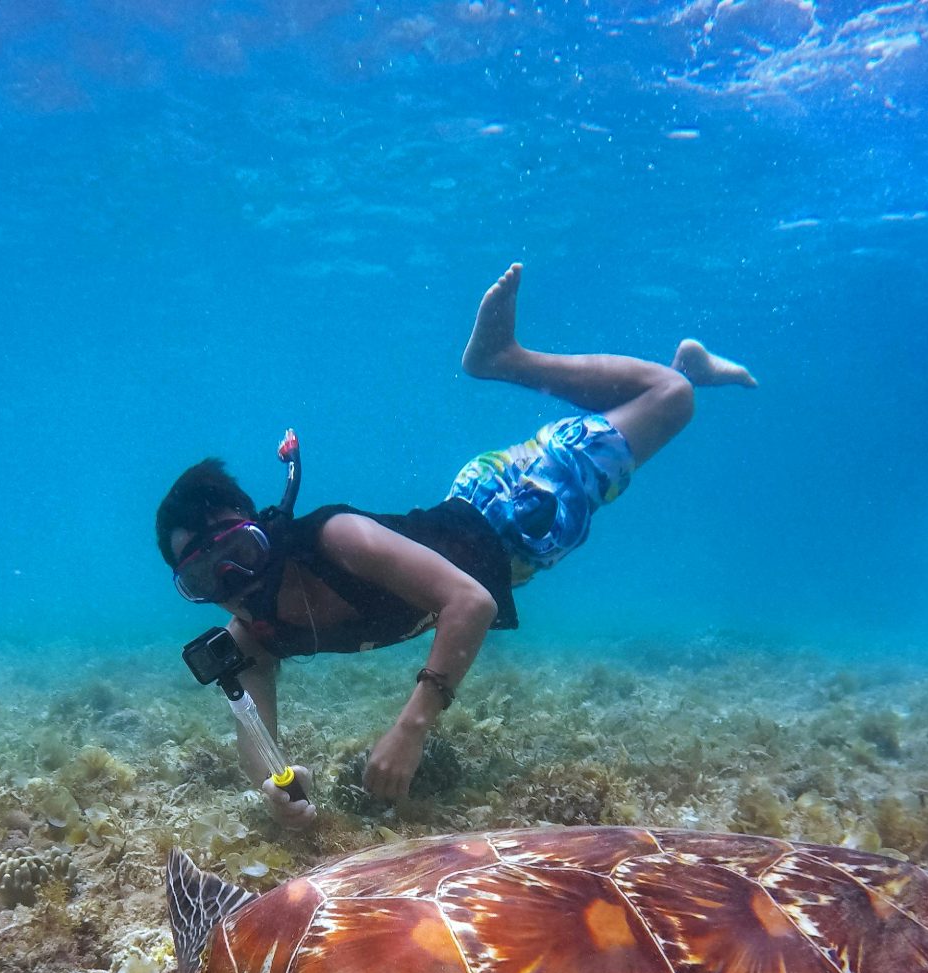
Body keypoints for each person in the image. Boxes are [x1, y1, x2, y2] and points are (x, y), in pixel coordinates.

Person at [156, 262, 755, 829]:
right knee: (651, 409)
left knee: (671, 400)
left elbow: (470, 603)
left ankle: (505, 358)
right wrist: (276, 792)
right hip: (497, 530)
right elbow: (256, 739)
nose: (236, 583)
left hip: (515, 508)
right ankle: (687, 365)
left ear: (265, 529)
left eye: (241, 553)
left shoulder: (334, 538)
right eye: (206, 579)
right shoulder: (252, 637)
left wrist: (411, 728)